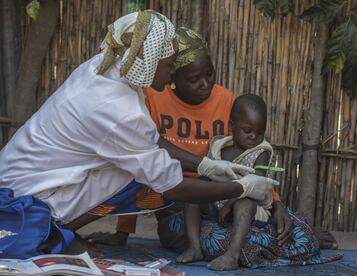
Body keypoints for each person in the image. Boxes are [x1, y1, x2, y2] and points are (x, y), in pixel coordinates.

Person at [0, 11, 277, 257]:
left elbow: (148, 140)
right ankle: (55, 235)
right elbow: (171, 185)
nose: (170, 76)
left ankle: (60, 231)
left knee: (144, 171)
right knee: (148, 182)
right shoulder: (118, 110)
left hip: (29, 176)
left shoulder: (107, 67)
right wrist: (243, 188)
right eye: (169, 66)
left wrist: (204, 164)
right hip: (23, 196)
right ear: (149, 62)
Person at [87, 26, 237, 246]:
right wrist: (123, 233)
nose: (205, 84)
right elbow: (138, 163)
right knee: (188, 236)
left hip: (213, 191)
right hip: (171, 195)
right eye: (194, 79)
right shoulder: (154, 97)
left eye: (209, 74)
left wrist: (273, 200)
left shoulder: (225, 99)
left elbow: (246, 149)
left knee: (278, 231)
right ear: (172, 77)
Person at [177, 94, 279, 270]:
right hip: (217, 202)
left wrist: (230, 204)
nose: (254, 137)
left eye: (259, 132)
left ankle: (232, 255)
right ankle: (194, 247)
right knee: (194, 193)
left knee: (245, 203)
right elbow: (208, 177)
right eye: (248, 131)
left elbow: (255, 183)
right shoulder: (219, 147)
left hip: (251, 208)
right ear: (232, 126)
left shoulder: (261, 152)